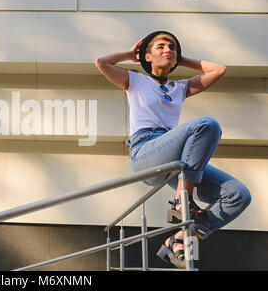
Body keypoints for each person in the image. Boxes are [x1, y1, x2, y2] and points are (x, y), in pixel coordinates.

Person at [95, 31, 251, 269]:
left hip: (176, 159)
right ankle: (182, 200)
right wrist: (130, 54)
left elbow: (219, 70)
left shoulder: (179, 87)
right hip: (146, 150)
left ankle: (180, 239)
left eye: (172, 48)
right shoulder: (135, 80)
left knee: (238, 195)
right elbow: (102, 63)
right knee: (206, 125)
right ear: (147, 56)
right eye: (161, 46)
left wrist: (182, 59)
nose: (168, 49)